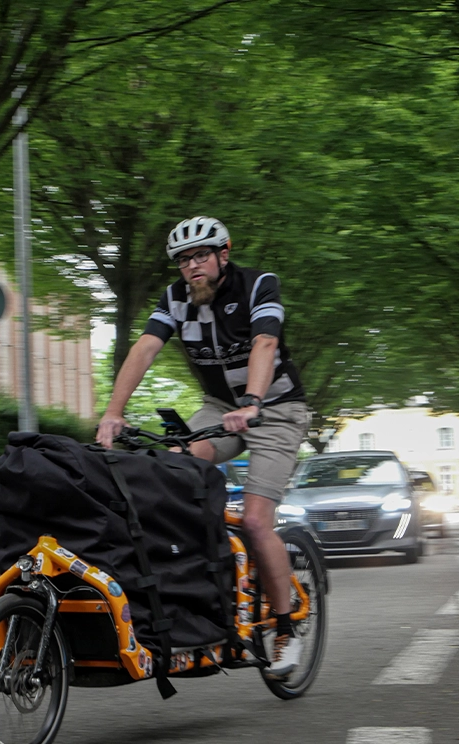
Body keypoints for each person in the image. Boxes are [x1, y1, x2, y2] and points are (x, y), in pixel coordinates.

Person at [96, 216, 310, 678]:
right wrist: (113, 412)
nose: (192, 266)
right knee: (173, 471)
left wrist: (253, 401)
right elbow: (145, 349)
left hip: (276, 408)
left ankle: (288, 624)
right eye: (184, 260)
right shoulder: (176, 299)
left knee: (255, 521)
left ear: (223, 255)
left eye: (201, 256)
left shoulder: (257, 286)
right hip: (219, 408)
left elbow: (265, 342)